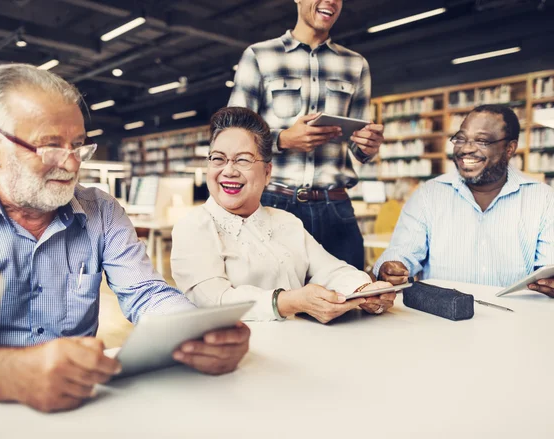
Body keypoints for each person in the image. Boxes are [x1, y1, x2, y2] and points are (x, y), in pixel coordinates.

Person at [0, 64, 250, 413]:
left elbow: (145, 293)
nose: (71, 164)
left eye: (78, 146)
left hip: (81, 404)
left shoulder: (101, 210)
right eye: (50, 147)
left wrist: (198, 333)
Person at [171, 107, 395, 323]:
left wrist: (365, 290)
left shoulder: (286, 221)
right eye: (218, 159)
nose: (229, 170)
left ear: (267, 173)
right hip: (239, 354)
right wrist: (288, 302)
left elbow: (331, 269)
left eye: (243, 160)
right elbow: (214, 301)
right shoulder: (193, 227)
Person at [228, 0, 384, 270]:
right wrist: (282, 139)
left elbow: (359, 147)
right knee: (277, 304)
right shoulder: (259, 56)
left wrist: (368, 146)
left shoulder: (356, 65)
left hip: (335, 206)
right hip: (274, 203)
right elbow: (231, 135)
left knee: (353, 299)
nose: (331, 2)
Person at [374, 105, 554, 297]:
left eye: (482, 140)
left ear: (510, 148)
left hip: (517, 319)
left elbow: (548, 268)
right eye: (460, 139)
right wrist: (391, 267)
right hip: (441, 320)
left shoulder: (543, 199)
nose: (466, 148)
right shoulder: (428, 195)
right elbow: (401, 252)